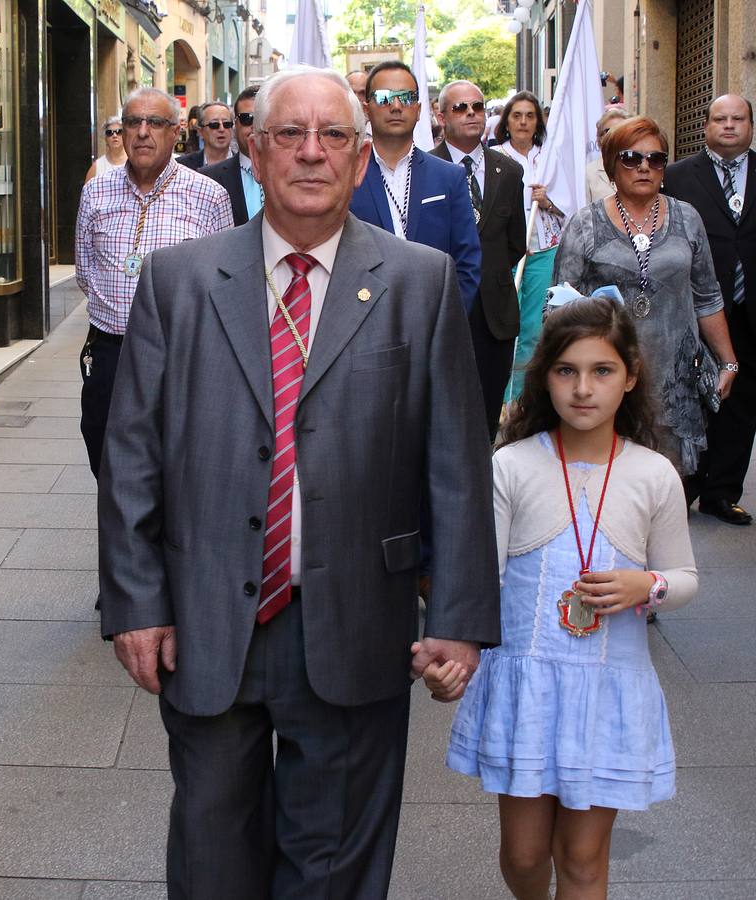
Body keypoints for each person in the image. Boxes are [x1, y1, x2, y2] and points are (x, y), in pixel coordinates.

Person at [98, 64, 499, 898]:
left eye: (333, 138)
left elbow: (456, 464)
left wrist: (459, 616)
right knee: (213, 859)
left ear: (360, 160)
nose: (311, 154)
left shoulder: (419, 282)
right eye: (289, 134)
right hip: (207, 618)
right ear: (254, 148)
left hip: (357, 620)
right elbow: (132, 455)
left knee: (335, 871)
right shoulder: (179, 281)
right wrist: (137, 603)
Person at [447, 294, 697, 900]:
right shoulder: (511, 466)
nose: (583, 389)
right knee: (524, 855)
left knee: (582, 858)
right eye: (567, 371)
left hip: (608, 686)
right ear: (545, 378)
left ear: (630, 378)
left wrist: (649, 586)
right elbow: (486, 578)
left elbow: (684, 576)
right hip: (526, 684)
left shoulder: (653, 474)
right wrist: (458, 649)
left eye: (602, 371)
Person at [553, 115, 737, 475]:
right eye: (631, 158)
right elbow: (561, 306)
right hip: (609, 376)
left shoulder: (687, 219)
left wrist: (728, 361)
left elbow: (707, 296)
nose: (644, 167)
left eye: (655, 159)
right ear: (610, 166)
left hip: (675, 377)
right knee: (610, 481)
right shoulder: (585, 224)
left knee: (667, 487)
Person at [74, 87, 233, 478]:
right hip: (111, 351)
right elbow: (84, 271)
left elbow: (223, 282)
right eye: (133, 122)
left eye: (155, 123)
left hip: (179, 355)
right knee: (105, 454)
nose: (142, 132)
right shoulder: (95, 192)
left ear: (176, 131)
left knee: (175, 463)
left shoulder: (208, 196)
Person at [664, 94, 756, 525]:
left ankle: (722, 492)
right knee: (695, 395)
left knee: (742, 401)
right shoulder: (679, 176)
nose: (729, 126)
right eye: (720, 119)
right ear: (705, 126)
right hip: (697, 302)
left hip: (749, 304)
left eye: (738, 119)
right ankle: (687, 483)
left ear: (750, 126)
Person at [432, 79, 528, 439]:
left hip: (495, 314)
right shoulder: (425, 169)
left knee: (488, 414)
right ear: (441, 116)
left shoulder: (508, 171)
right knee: (445, 413)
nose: (472, 113)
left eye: (478, 106)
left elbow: (515, 242)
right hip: (444, 308)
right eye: (460, 108)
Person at [349, 60, 481, 313]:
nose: (397, 106)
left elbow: (468, 262)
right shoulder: (348, 176)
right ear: (367, 109)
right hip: (364, 320)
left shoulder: (449, 177)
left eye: (406, 97)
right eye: (385, 97)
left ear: (419, 110)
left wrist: (447, 322)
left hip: (433, 318)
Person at [495, 91, 567, 402]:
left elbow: (570, 202)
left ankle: (521, 400)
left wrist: (548, 201)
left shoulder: (550, 158)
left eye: (529, 115)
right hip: (506, 252)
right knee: (505, 323)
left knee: (533, 328)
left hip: (543, 252)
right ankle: (499, 396)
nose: (523, 122)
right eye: (516, 115)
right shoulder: (495, 157)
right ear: (506, 122)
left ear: (538, 121)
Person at [199, 86, 262, 226]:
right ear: (236, 124)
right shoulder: (208, 179)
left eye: (261, 118)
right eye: (247, 119)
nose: (254, 125)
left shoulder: (291, 173)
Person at [585, 107, 633, 203]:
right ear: (600, 138)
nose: (615, 136)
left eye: (620, 130)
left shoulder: (639, 167)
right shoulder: (588, 173)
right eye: (608, 131)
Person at [177, 101, 236, 170]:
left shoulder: (245, 165)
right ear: (200, 131)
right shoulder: (182, 166)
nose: (221, 129)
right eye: (214, 125)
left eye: (227, 124)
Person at [85, 115, 127, 183]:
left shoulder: (133, 163)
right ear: (105, 138)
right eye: (109, 133)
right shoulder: (97, 167)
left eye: (119, 132)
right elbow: (86, 192)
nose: (114, 135)